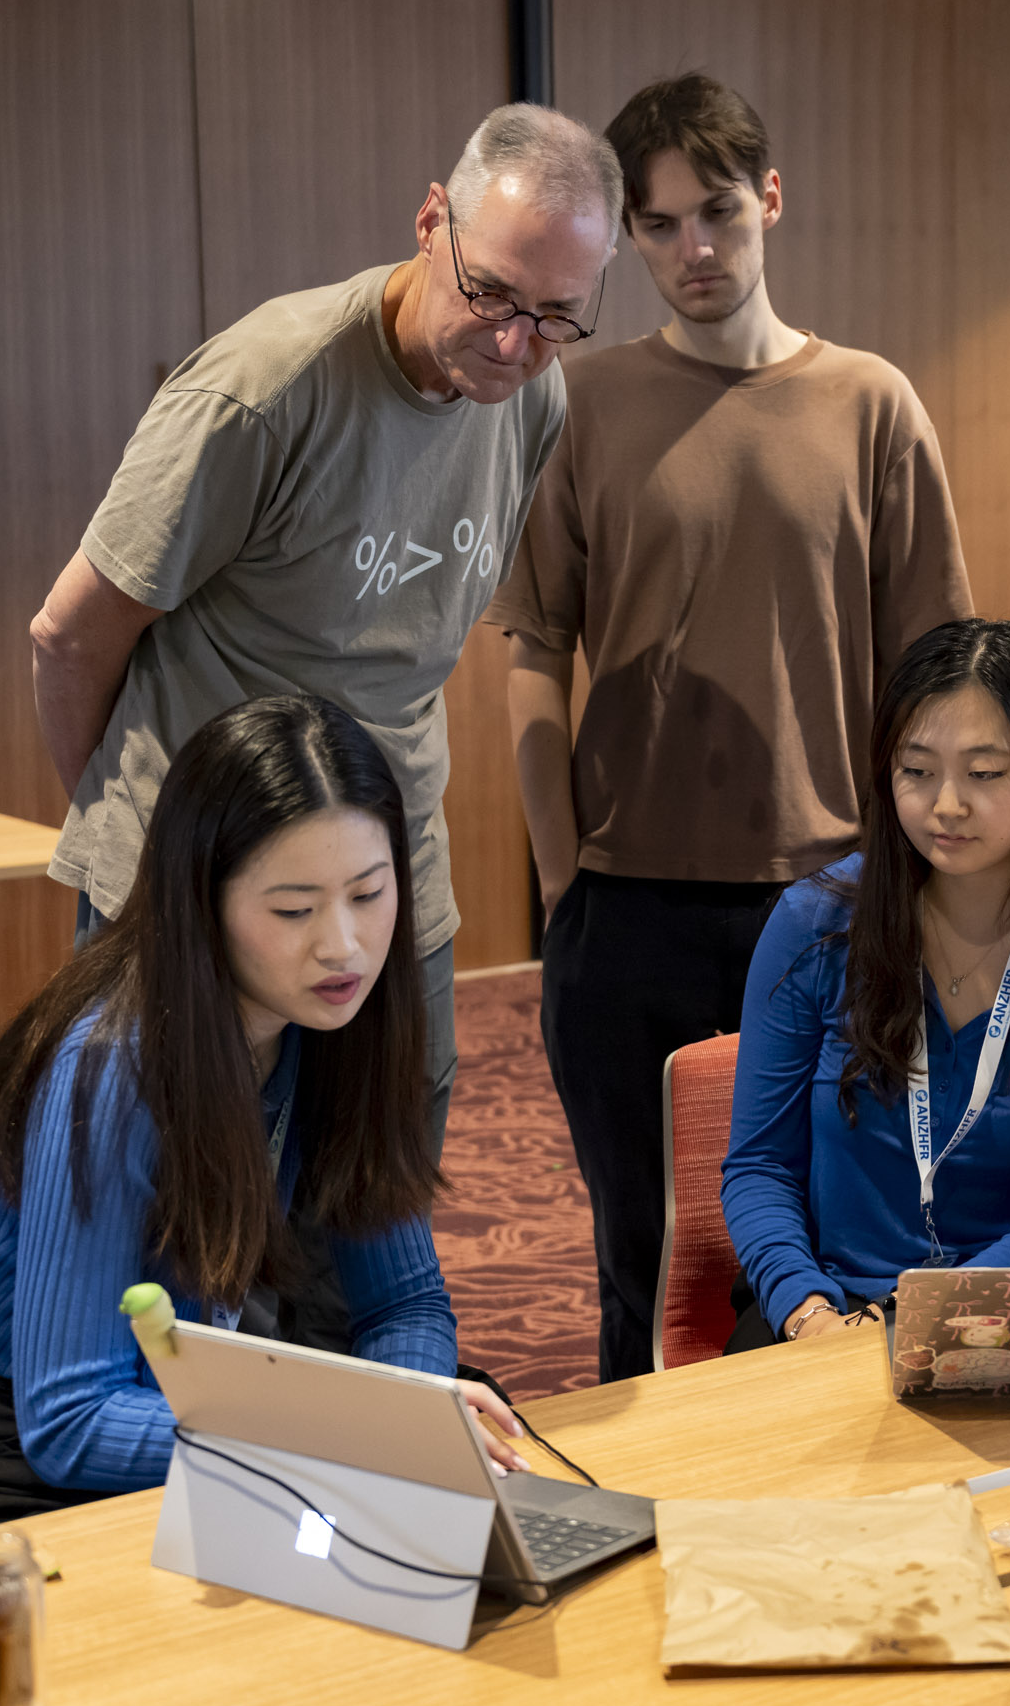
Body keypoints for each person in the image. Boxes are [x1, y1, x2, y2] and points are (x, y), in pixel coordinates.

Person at [0, 696, 523, 1565]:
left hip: (142, 1424)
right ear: (201, 904)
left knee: (451, 1464)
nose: (345, 945)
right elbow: (69, 1422)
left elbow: (405, 1303)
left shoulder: (340, 1024)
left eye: (369, 893)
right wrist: (348, 1438)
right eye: (294, 911)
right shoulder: (115, 1064)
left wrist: (405, 1417)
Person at [492, 71, 970, 1381]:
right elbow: (535, 658)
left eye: (716, 212)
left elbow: (938, 676)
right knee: (643, 1263)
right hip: (625, 910)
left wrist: (928, 878)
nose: (692, 249)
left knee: (838, 1251)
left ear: (770, 199)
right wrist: (562, 882)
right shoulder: (578, 404)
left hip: (835, 899)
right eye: (657, 226)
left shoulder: (872, 403)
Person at [31, 102, 623, 1160]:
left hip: (388, 865)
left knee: (379, 1170)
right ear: (430, 221)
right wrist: (148, 833)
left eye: (555, 315)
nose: (512, 340)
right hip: (211, 870)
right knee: (172, 1186)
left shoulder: (532, 402)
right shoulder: (265, 389)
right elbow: (70, 635)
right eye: (489, 291)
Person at [721, 619, 1010, 1349]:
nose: (947, 805)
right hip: (826, 1306)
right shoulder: (814, 924)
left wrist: (910, 1324)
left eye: (984, 773)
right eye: (917, 770)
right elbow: (759, 1165)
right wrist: (808, 1312)